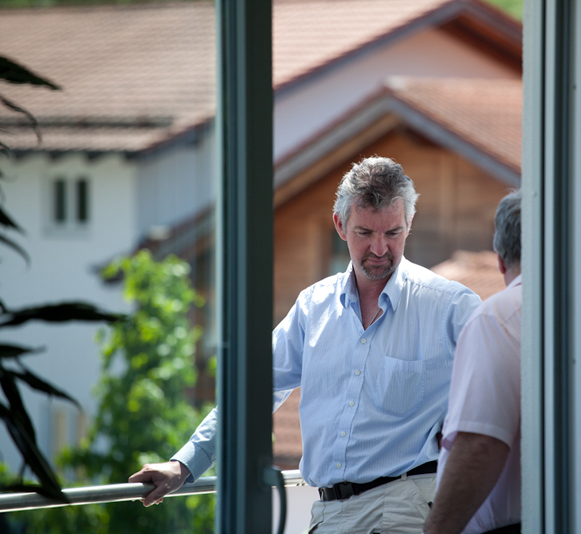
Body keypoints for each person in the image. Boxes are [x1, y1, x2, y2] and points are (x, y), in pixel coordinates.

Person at [129, 156, 482, 533]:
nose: (379, 248)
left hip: (407, 510)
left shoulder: (451, 307)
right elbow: (253, 391)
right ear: (340, 225)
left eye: (392, 233)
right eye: (365, 233)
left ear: (409, 224)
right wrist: (185, 463)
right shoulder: (313, 306)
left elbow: (502, 395)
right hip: (327, 514)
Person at [423, 190, 522, 534]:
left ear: (500, 259)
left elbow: (480, 443)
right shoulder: (579, 314)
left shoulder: (498, 317)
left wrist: (437, 530)